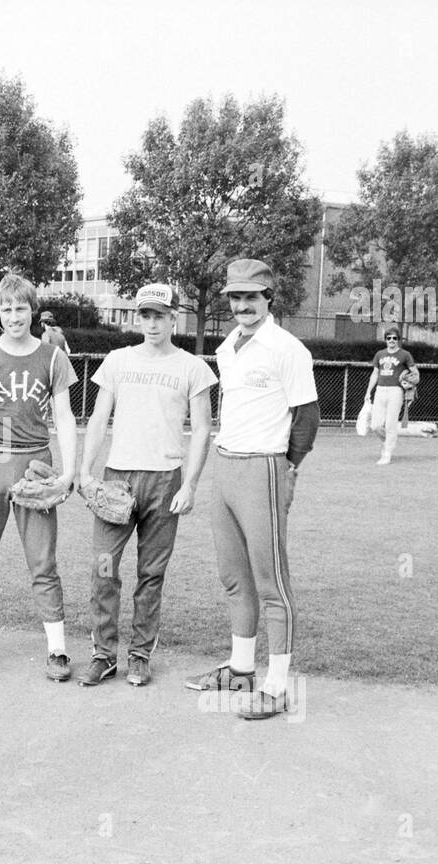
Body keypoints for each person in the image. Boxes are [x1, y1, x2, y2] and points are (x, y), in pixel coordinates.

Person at [184, 259, 319, 720]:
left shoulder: (287, 348)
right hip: (226, 462)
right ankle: (241, 668)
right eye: (235, 297)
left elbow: (307, 417)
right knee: (233, 576)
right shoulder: (227, 346)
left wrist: (288, 469)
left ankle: (278, 686)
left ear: (268, 299)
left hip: (263, 466)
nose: (242, 305)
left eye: (251, 297)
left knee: (271, 582)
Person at [77, 282, 216, 687]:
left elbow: (203, 430)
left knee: (151, 574)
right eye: (145, 315)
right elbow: (99, 418)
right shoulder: (118, 361)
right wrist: (87, 472)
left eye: (160, 315)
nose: (152, 323)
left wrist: (189, 484)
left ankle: (139, 655)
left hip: (164, 480)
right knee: (104, 568)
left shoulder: (192, 367)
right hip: (118, 478)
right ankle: (103, 655)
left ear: (174, 317)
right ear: (137, 318)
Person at [0, 272, 78, 680]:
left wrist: (69, 472)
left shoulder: (52, 356)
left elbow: (63, 415)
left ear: (32, 309)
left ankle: (57, 651)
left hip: (35, 463)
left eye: (21, 307)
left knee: (43, 562)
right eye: (6, 308)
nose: (14, 315)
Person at [363, 327, 419, 465]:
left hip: (396, 391)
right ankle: (386, 442)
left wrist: (409, 381)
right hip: (380, 390)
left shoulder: (404, 354)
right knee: (375, 425)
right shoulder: (380, 354)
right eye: (389, 338)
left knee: (390, 424)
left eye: (394, 338)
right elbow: (375, 373)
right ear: (386, 340)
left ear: (398, 340)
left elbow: (416, 374)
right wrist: (368, 390)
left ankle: (387, 454)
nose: (392, 340)